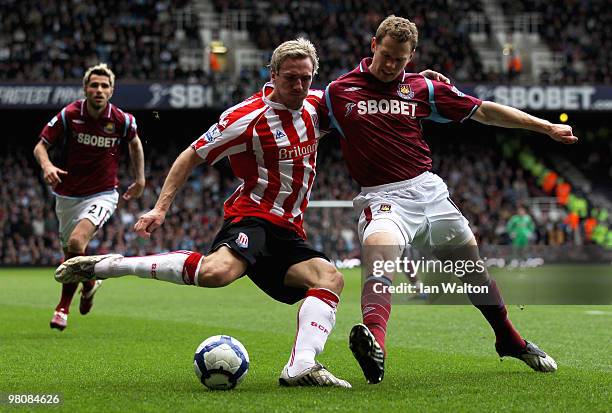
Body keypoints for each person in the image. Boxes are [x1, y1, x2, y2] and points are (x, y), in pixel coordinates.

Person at [54, 39, 352, 388]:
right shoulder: (245, 118)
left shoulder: (319, 106)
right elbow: (190, 155)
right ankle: (110, 265)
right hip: (252, 217)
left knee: (330, 279)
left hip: (289, 230)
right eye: (291, 79)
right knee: (217, 274)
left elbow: (366, 95)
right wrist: (161, 207)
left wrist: (416, 85)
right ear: (272, 75)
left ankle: (301, 366)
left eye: (306, 78)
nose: (300, 86)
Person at [324, 15, 577, 383]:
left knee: (472, 273)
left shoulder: (421, 88)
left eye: (401, 60)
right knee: (380, 253)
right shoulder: (337, 92)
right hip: (383, 199)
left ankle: (509, 339)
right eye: (387, 56)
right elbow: (301, 121)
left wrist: (545, 126)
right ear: (373, 45)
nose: (391, 65)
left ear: (411, 57)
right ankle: (374, 344)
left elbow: (484, 110)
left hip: (428, 191)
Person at [34, 63, 145, 331]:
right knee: (72, 253)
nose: (99, 90)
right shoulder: (70, 115)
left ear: (111, 91)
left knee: (76, 241)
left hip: (103, 193)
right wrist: (47, 166)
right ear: (85, 88)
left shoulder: (122, 120)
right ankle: (90, 283)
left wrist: (140, 178)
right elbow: (41, 146)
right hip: (67, 195)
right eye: (94, 85)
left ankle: (62, 308)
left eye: (104, 86)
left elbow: (135, 143)